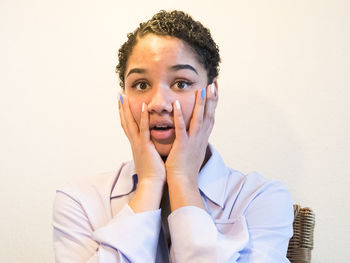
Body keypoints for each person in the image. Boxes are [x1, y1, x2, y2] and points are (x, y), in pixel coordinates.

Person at [53, 10, 294, 263]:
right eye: (141, 85)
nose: (159, 104)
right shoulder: (79, 200)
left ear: (212, 93)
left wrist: (182, 181)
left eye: (181, 83)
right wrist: (148, 184)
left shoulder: (261, 199)